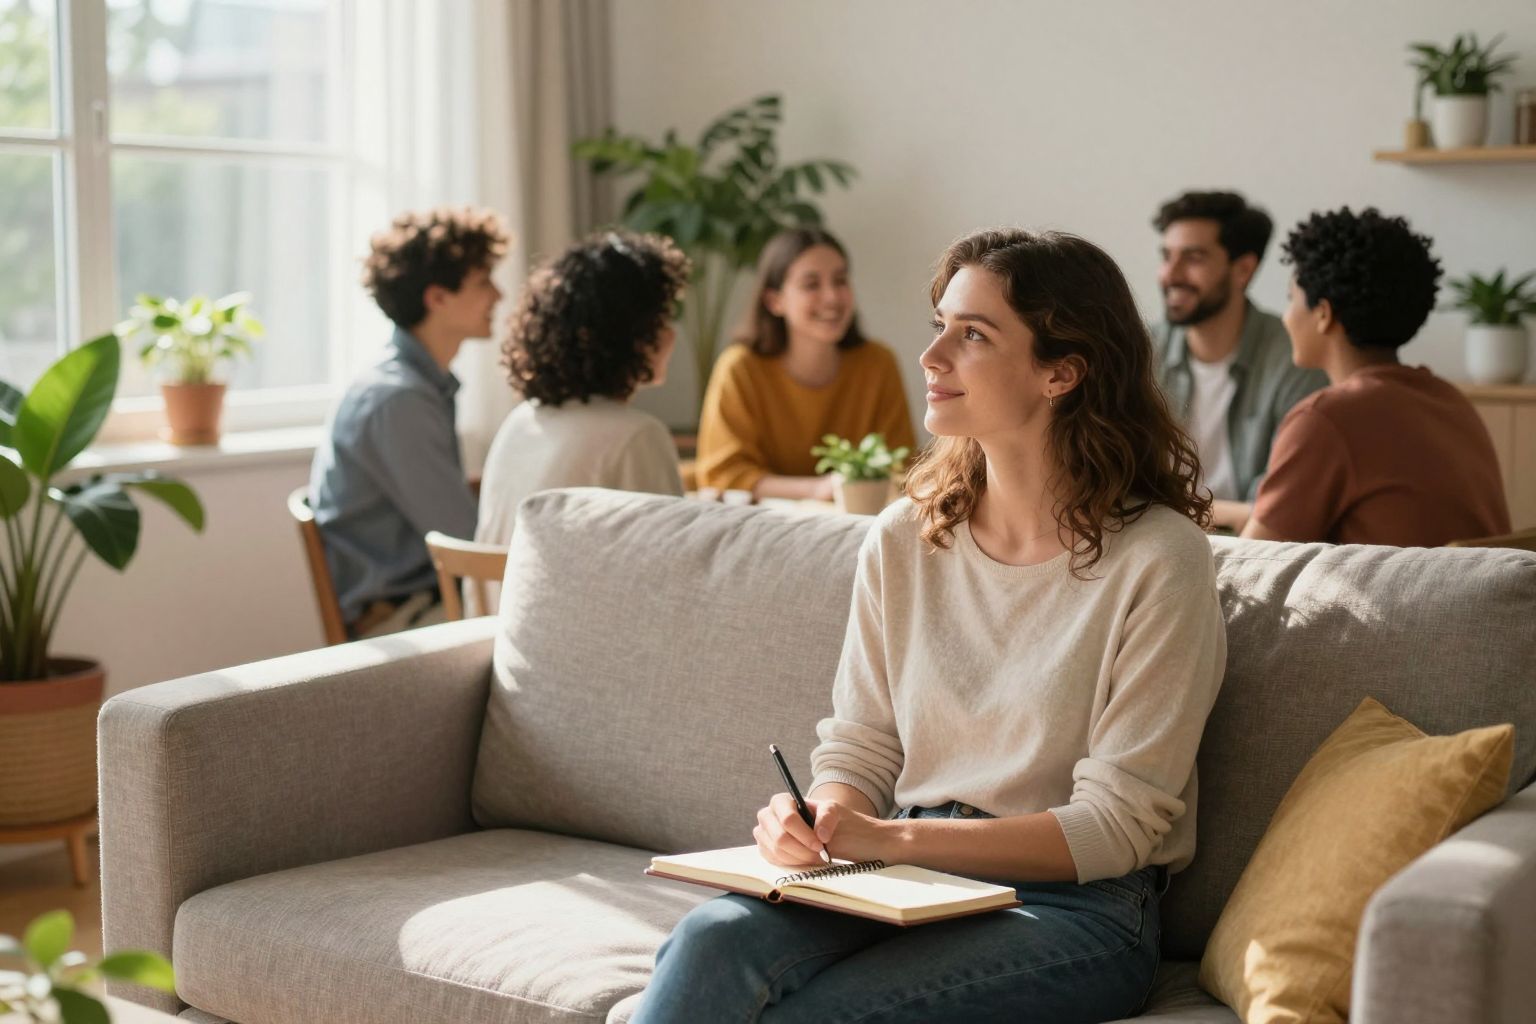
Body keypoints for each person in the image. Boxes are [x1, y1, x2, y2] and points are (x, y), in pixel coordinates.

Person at [634, 229, 1227, 1023]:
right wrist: (821, 823)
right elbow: (862, 743)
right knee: (709, 945)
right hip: (901, 872)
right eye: (939, 324)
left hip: (1076, 908)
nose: (932, 355)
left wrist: (888, 841)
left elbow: (1114, 828)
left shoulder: (1161, 559)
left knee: (823, 1014)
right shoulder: (905, 538)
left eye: (973, 334)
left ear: (1062, 371)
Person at [1238, 207, 1509, 546]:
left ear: (1323, 315)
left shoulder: (1325, 419)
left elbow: (1253, 561)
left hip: (1402, 601)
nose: (1285, 318)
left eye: (1291, 299)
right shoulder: (1452, 402)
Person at [309, 206, 508, 637]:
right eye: (482, 282)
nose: (498, 295)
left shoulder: (411, 385)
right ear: (437, 298)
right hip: (403, 617)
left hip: (416, 598)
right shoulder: (400, 400)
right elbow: (466, 544)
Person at [476, 231, 689, 549]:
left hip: (498, 600)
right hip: (560, 601)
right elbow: (672, 558)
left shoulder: (521, 421)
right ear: (634, 334)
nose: (671, 333)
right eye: (663, 317)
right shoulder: (636, 435)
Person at [695, 227, 916, 499]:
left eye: (840, 280)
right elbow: (723, 473)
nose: (832, 297)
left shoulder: (879, 364)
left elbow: (903, 466)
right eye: (811, 284)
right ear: (775, 301)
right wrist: (819, 489)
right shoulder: (740, 368)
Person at [1151, 191, 1326, 530]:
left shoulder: (1297, 357)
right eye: (1166, 256)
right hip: (1157, 543)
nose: (1170, 274)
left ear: (1242, 269)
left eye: (1193, 257)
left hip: (1257, 550)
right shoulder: (1137, 351)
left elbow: (1291, 503)